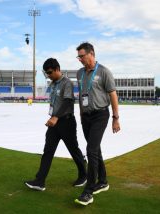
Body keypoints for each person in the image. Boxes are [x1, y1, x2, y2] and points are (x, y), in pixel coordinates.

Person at [25, 58, 87, 191]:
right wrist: (53, 118)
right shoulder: (52, 84)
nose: (48, 75)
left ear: (58, 69)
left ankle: (84, 175)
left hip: (66, 122)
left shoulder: (67, 83)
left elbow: (67, 102)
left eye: (50, 72)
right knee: (48, 151)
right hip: (54, 123)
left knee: (74, 150)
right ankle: (40, 181)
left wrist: (55, 117)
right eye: (46, 73)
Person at [74, 42, 121, 206]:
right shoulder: (79, 73)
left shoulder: (104, 72)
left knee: (91, 149)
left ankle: (89, 191)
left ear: (91, 54)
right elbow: (81, 94)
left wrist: (116, 118)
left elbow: (113, 95)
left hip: (100, 114)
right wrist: (81, 114)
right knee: (95, 149)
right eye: (78, 56)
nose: (79, 59)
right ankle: (103, 181)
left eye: (82, 56)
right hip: (86, 117)